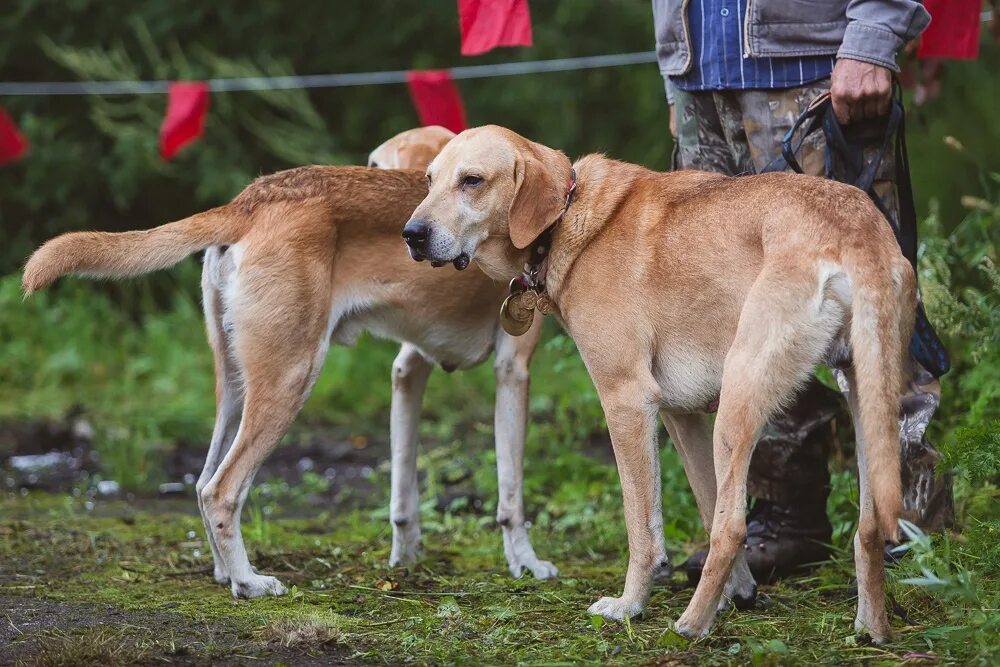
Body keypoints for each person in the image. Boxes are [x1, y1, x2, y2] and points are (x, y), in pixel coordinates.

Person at [651, 0, 955, 583]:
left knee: (869, 301)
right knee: (735, 323)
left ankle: (913, 529)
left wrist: (872, 35)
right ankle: (786, 517)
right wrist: (675, 69)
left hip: (812, 69)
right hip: (699, 73)